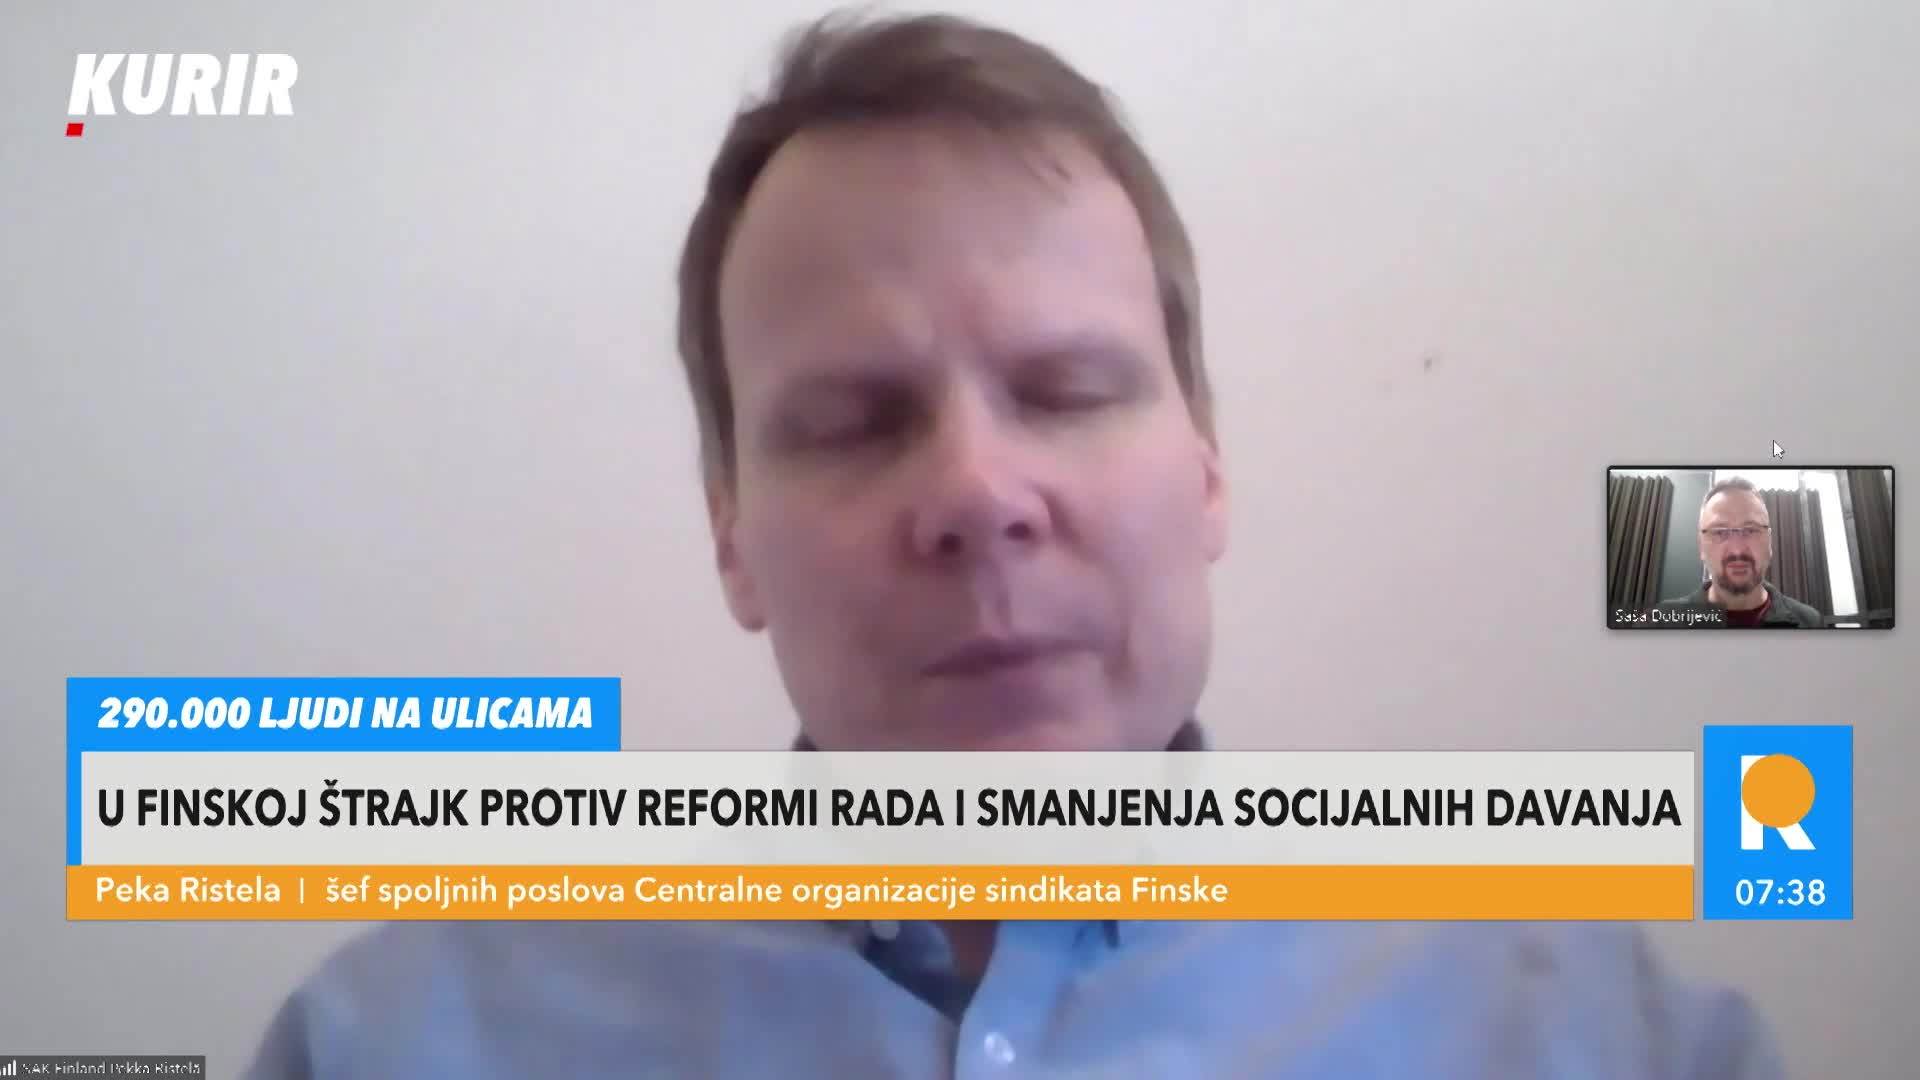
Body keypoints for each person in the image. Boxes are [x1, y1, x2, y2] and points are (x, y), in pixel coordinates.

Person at [243, 11, 1786, 1077]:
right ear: (731, 537)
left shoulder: (1606, 1037)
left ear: (1207, 470)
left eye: (1065, 391)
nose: (979, 494)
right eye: (853, 420)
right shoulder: (390, 1043)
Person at [1654, 477, 1825, 628]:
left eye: (1750, 530)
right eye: (1719, 532)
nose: (1737, 549)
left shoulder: (1810, 623)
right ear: (1701, 547)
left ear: (1769, 542)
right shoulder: (1659, 623)